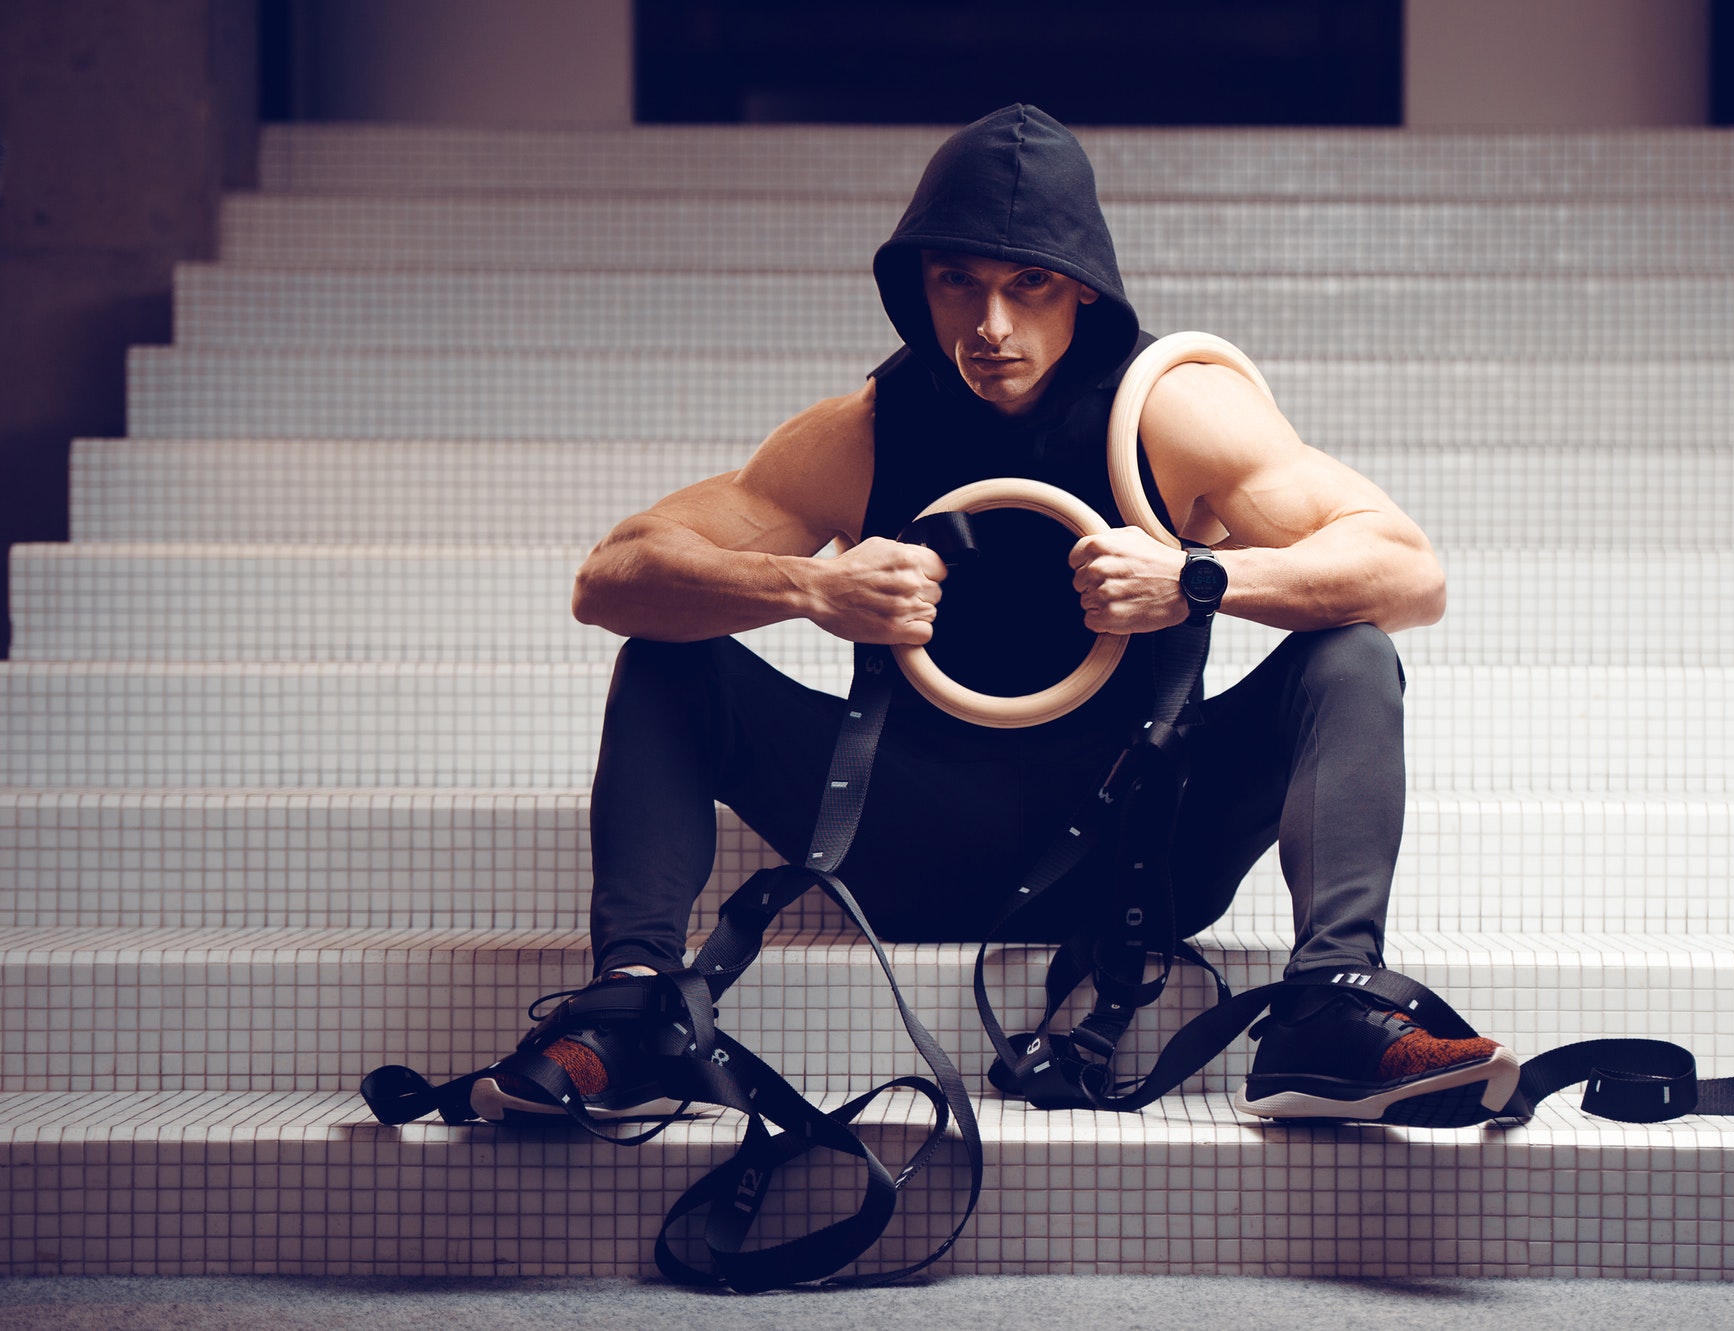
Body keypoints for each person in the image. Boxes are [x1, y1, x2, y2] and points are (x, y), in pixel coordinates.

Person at [482, 104, 1520, 1127]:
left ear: (1081, 290)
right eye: (957, 284)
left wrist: (1196, 578)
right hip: (907, 837)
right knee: (673, 656)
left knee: (1348, 653)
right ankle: (632, 1012)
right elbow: (613, 574)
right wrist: (811, 590)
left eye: (1028, 285)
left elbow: (1405, 569)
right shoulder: (863, 431)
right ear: (918, 288)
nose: (990, 326)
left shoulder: (1170, 409)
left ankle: (1331, 1009)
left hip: (1141, 848)